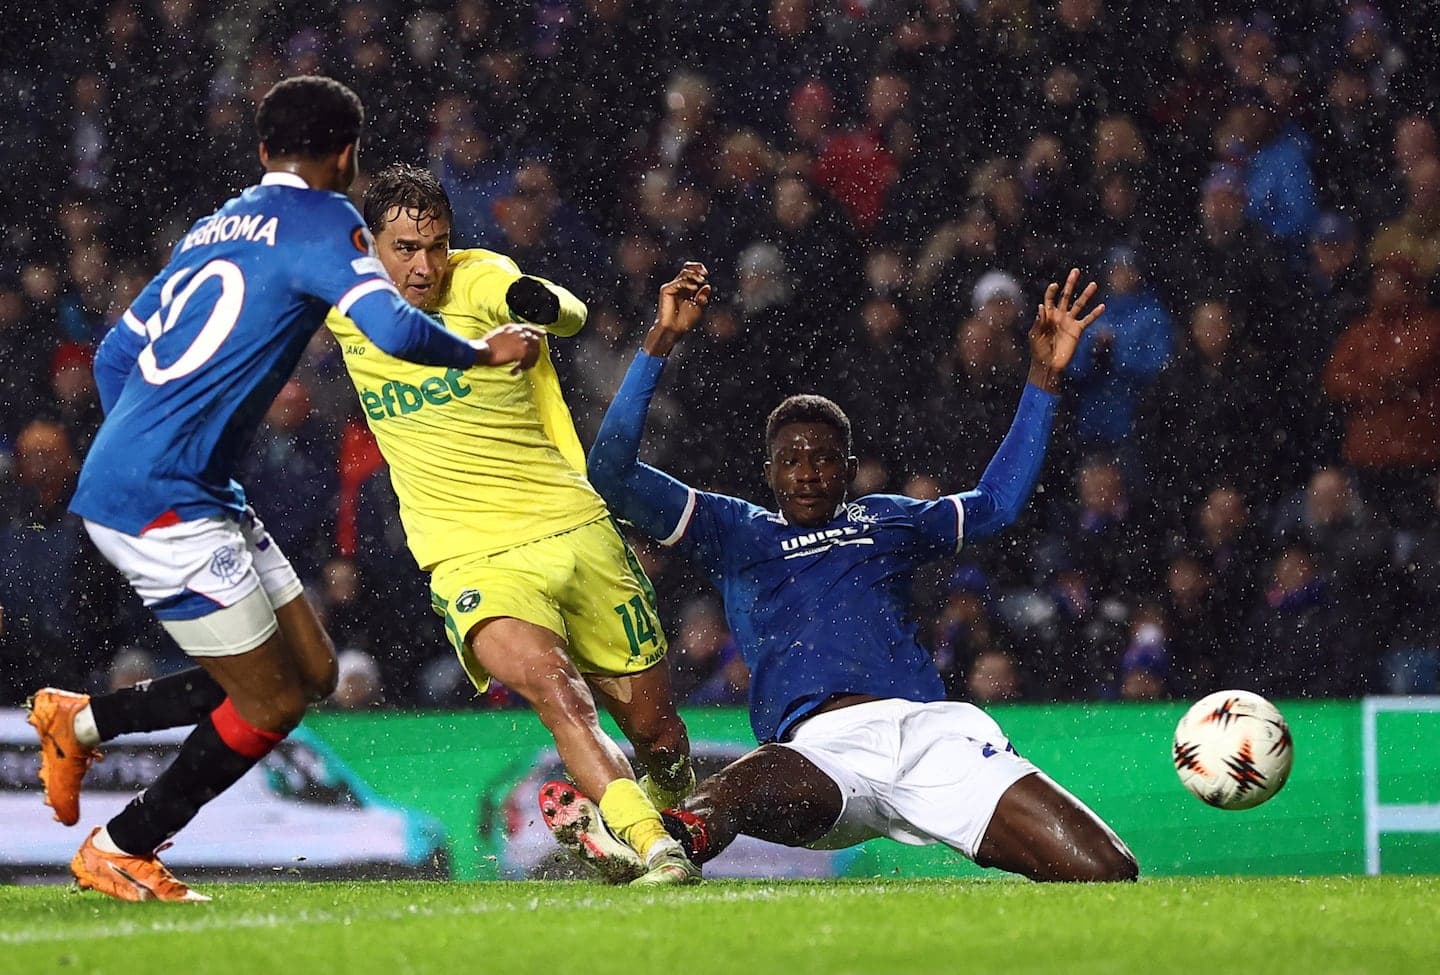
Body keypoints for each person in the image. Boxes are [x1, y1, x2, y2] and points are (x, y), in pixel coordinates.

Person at [24, 76, 544, 903]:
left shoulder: (214, 226)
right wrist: (484, 353)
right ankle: (121, 844)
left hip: (188, 485)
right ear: (347, 154)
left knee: (308, 671)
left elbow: (116, 354)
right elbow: (392, 327)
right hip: (162, 500)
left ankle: (80, 721)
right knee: (264, 700)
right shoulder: (324, 219)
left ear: (265, 149)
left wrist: (160, 433)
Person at [540, 263, 1138, 883]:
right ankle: (660, 842)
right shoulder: (737, 531)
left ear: (848, 469)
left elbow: (997, 504)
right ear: (769, 473)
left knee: (1108, 871)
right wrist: (660, 342)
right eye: (790, 460)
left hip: (933, 737)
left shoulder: (889, 521)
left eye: (824, 459)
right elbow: (610, 471)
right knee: (743, 787)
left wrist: (1043, 376)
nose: (807, 472)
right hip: (821, 754)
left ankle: (656, 838)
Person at [323, 163, 697, 885]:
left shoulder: (482, 276)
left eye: (435, 244)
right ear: (371, 245)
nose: (424, 265)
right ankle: (658, 848)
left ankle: (653, 810)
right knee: (559, 691)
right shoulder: (345, 303)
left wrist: (535, 301)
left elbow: (566, 312)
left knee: (660, 735)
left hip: (572, 527)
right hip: (472, 556)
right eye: (405, 248)